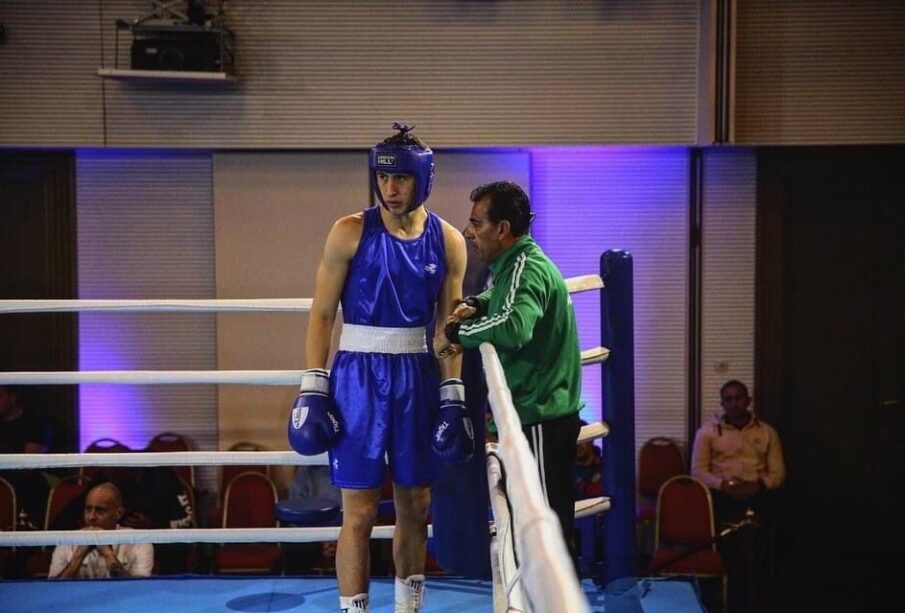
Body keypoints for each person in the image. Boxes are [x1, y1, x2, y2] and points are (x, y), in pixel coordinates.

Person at [286, 124, 470, 613]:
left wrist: (454, 393)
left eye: (402, 180)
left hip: (417, 376)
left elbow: (450, 329)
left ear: (423, 179)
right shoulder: (349, 231)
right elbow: (323, 312)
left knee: (417, 506)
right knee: (360, 513)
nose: (390, 189)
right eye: (383, 179)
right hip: (358, 380)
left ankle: (408, 609)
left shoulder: (448, 241)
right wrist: (313, 384)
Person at [435, 180, 584, 571]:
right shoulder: (515, 265)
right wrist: (476, 303)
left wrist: (458, 333)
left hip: (540, 416)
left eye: (476, 223)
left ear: (502, 229)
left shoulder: (525, 267)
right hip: (541, 415)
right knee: (534, 524)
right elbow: (506, 299)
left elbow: (516, 325)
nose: (469, 232)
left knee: (544, 527)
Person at [691, 379, 786, 613]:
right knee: (729, 548)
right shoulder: (708, 432)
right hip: (723, 493)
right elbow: (698, 471)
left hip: (757, 492)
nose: (734, 404)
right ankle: (726, 594)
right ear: (722, 403)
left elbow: (778, 473)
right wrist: (723, 485)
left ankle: (761, 592)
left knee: (764, 537)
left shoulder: (767, 432)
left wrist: (759, 484)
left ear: (748, 401)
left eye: (739, 398)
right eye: (728, 399)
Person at [49, 482, 154, 579]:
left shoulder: (139, 542)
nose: (91, 517)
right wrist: (78, 556)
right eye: (88, 509)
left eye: (100, 510)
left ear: (119, 513)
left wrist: (108, 554)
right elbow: (52, 589)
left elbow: (138, 588)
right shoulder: (67, 542)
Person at [0, 385, 49, 529]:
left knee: (33, 484)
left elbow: (31, 462)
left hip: (25, 480)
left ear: (13, 397)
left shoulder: (34, 423)